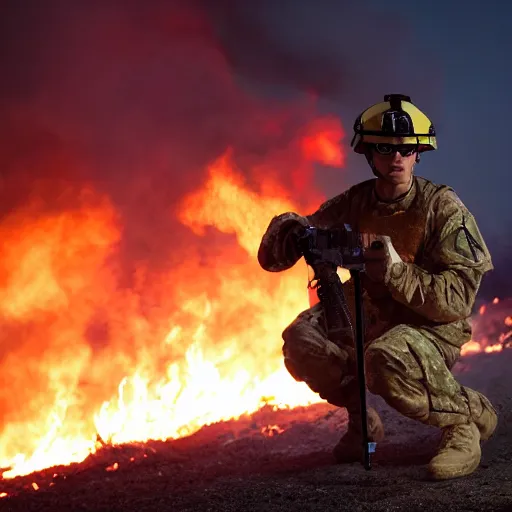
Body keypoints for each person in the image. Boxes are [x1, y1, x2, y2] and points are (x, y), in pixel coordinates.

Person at [257, 94, 497, 480]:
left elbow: (457, 301)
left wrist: (398, 272)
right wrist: (291, 228)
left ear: (419, 153)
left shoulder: (443, 208)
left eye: (405, 149)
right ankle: (362, 421)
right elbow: (284, 252)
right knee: (303, 341)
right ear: (369, 154)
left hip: (431, 325)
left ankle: (464, 421)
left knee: (384, 359)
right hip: (371, 310)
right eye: (384, 149)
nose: (396, 158)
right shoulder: (356, 201)